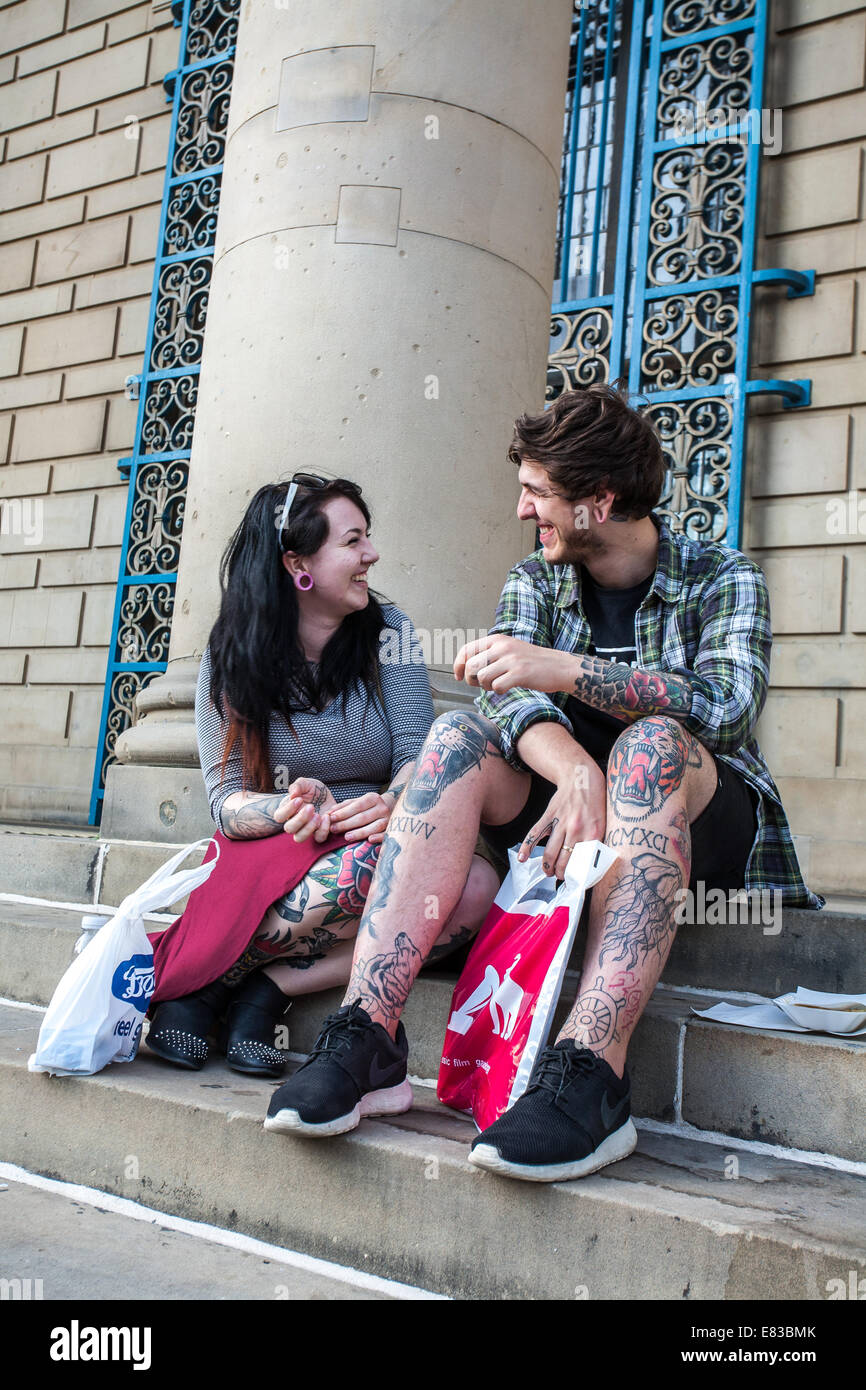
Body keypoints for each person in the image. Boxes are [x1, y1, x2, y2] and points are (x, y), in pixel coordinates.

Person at [262, 384, 824, 1178]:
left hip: (703, 818)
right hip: (571, 803)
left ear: (599, 501)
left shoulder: (723, 576)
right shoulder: (536, 579)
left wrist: (568, 669)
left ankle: (593, 1072)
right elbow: (507, 692)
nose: (525, 510)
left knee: (653, 746)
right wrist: (573, 767)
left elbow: (727, 710)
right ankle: (368, 1031)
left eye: (538, 493)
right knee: (455, 736)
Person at [145, 473, 499, 1081]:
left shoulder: (391, 633)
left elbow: (421, 755)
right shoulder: (233, 652)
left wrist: (393, 802)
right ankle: (205, 983)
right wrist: (290, 808)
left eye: (368, 539)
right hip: (279, 845)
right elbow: (227, 802)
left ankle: (259, 985)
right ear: (297, 563)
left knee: (473, 890)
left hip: (376, 831)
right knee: (374, 871)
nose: (372, 555)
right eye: (353, 541)